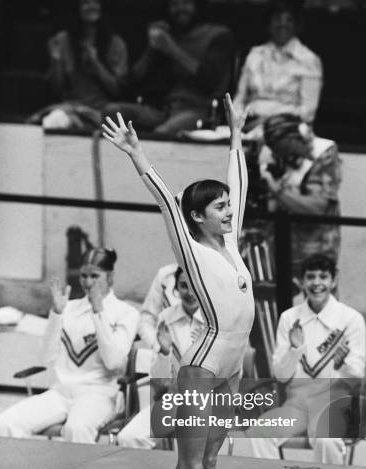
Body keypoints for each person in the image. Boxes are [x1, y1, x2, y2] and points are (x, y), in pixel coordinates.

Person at [102, 93, 253, 469]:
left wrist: (235, 134)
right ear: (196, 218)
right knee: (189, 467)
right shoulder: (188, 248)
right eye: (219, 206)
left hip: (232, 367)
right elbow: (166, 198)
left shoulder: (230, 242)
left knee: (210, 463)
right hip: (202, 367)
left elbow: (241, 183)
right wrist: (136, 153)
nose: (229, 210)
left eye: (228, 205)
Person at [0, 248, 139, 443]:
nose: (88, 283)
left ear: (110, 277)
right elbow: (46, 357)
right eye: (83, 276)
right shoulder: (69, 308)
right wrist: (56, 313)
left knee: (77, 428)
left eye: (95, 276)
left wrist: (99, 313)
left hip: (99, 394)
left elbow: (113, 362)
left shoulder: (126, 313)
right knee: (5, 423)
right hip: (60, 392)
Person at [247, 254, 366, 464]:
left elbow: (357, 374)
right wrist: (295, 349)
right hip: (297, 406)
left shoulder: (351, 319)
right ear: (302, 282)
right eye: (310, 277)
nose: (317, 283)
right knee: (259, 432)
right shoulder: (289, 318)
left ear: (333, 281)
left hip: (334, 404)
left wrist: (343, 364)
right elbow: (281, 376)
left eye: (323, 277)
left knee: (326, 440)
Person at [105, 0, 233, 135]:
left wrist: (171, 48)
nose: (180, 8)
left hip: (198, 109)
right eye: (174, 4)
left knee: (162, 134)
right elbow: (135, 79)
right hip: (162, 109)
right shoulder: (168, 33)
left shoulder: (218, 35)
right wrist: (152, 47)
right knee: (111, 112)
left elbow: (209, 79)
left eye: (186, 3)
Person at [118, 267, 204, 449]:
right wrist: (164, 352)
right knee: (128, 437)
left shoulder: (217, 321)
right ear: (176, 289)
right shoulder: (166, 318)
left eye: (195, 286)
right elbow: (159, 379)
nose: (189, 293)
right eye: (183, 286)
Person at [260, 113, 342, 282]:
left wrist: (277, 190)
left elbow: (317, 207)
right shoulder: (272, 152)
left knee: (319, 294)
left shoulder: (324, 154)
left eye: (286, 150)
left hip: (316, 242)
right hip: (281, 238)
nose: (284, 156)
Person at [30, 0, 128, 130]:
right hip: (70, 108)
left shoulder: (116, 43)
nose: (91, 6)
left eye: (95, 2)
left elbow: (118, 91)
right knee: (53, 121)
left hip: (102, 113)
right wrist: (57, 61)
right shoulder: (63, 40)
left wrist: (96, 65)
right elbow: (56, 90)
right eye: (85, 2)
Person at [234, 0, 322, 137]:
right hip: (247, 128)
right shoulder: (254, 54)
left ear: (297, 25)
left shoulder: (309, 60)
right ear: (268, 25)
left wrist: (269, 121)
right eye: (277, 19)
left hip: (288, 132)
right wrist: (237, 124)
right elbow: (239, 100)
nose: (282, 24)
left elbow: (307, 112)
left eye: (289, 20)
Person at [138, 263, 180, 349]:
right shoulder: (165, 276)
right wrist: (159, 347)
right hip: (168, 356)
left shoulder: (213, 275)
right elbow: (147, 319)